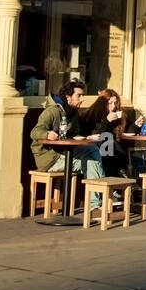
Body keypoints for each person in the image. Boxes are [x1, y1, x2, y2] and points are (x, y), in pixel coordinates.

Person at [29, 80, 104, 213]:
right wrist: (47, 133)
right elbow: (34, 132)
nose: (82, 99)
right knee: (92, 159)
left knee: (93, 151)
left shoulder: (73, 113)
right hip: (49, 159)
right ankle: (97, 202)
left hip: (64, 154)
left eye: (83, 95)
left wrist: (86, 138)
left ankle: (95, 202)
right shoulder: (52, 111)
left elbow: (74, 134)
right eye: (79, 95)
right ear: (68, 97)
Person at [78, 88, 127, 177]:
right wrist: (106, 120)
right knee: (109, 146)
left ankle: (120, 177)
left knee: (114, 148)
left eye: (115, 103)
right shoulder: (92, 115)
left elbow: (126, 130)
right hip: (93, 146)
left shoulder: (117, 115)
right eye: (110, 103)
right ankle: (120, 177)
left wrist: (136, 126)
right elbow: (94, 134)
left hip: (109, 147)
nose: (113, 106)